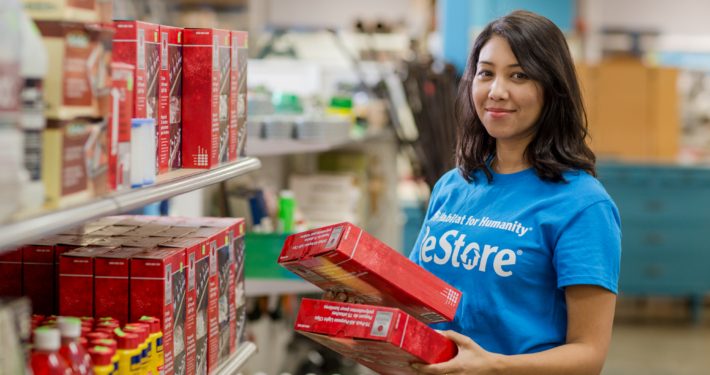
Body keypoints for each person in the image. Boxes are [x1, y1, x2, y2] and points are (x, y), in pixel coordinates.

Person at [407, 10, 621, 375]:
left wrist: (494, 366)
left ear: (552, 89)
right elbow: (414, 296)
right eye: (486, 73)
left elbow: (589, 355)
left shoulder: (583, 205)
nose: (497, 91)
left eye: (519, 75)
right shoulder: (452, 186)